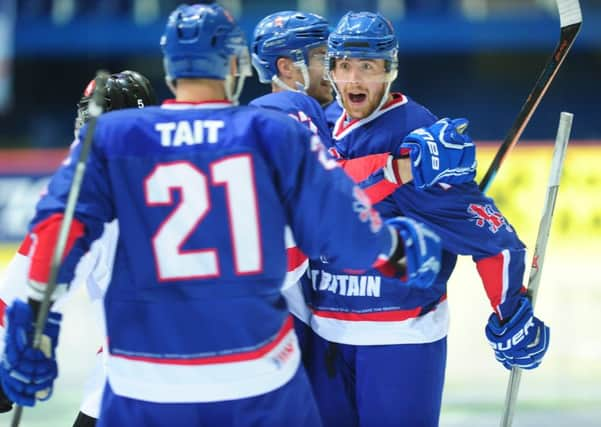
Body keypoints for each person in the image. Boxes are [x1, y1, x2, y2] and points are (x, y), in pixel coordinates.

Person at [0, 4, 443, 426]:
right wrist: (401, 251)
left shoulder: (111, 140)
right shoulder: (271, 132)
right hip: (253, 377)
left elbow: (53, 237)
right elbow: (341, 228)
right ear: (234, 67)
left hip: (143, 378)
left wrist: (34, 326)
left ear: (171, 71)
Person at [297, 11, 551, 427]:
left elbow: (491, 237)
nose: (355, 80)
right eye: (345, 66)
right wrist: (398, 169)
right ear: (331, 71)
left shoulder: (420, 136)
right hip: (326, 335)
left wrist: (511, 311)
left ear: (389, 70)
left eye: (368, 66)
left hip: (400, 340)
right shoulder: (322, 125)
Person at [248, 10, 479, 356]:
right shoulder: (291, 111)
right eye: (324, 58)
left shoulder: (319, 116)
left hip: (294, 299)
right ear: (286, 68)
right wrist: (405, 168)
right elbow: (329, 190)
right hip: (281, 303)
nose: (335, 70)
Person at [0, 69, 157, 426]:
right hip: (230, 368)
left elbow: (21, 297)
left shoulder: (87, 193)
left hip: (134, 376)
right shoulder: (193, 170)